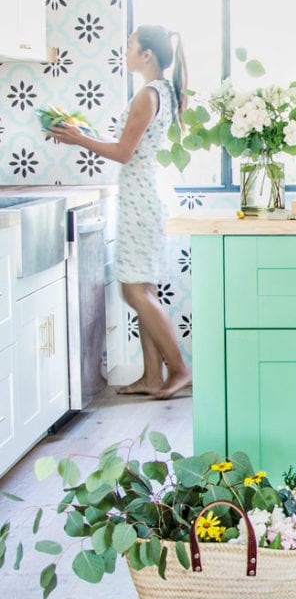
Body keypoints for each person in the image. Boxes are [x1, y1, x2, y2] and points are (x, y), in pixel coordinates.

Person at [49, 24, 192, 400]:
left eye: (130, 46)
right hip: (142, 196)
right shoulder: (160, 90)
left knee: (135, 292)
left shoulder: (147, 94)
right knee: (141, 288)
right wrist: (84, 132)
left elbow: (123, 152)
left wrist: (79, 138)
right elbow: (129, 144)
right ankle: (151, 376)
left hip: (140, 198)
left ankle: (179, 370)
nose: (125, 51)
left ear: (146, 55)